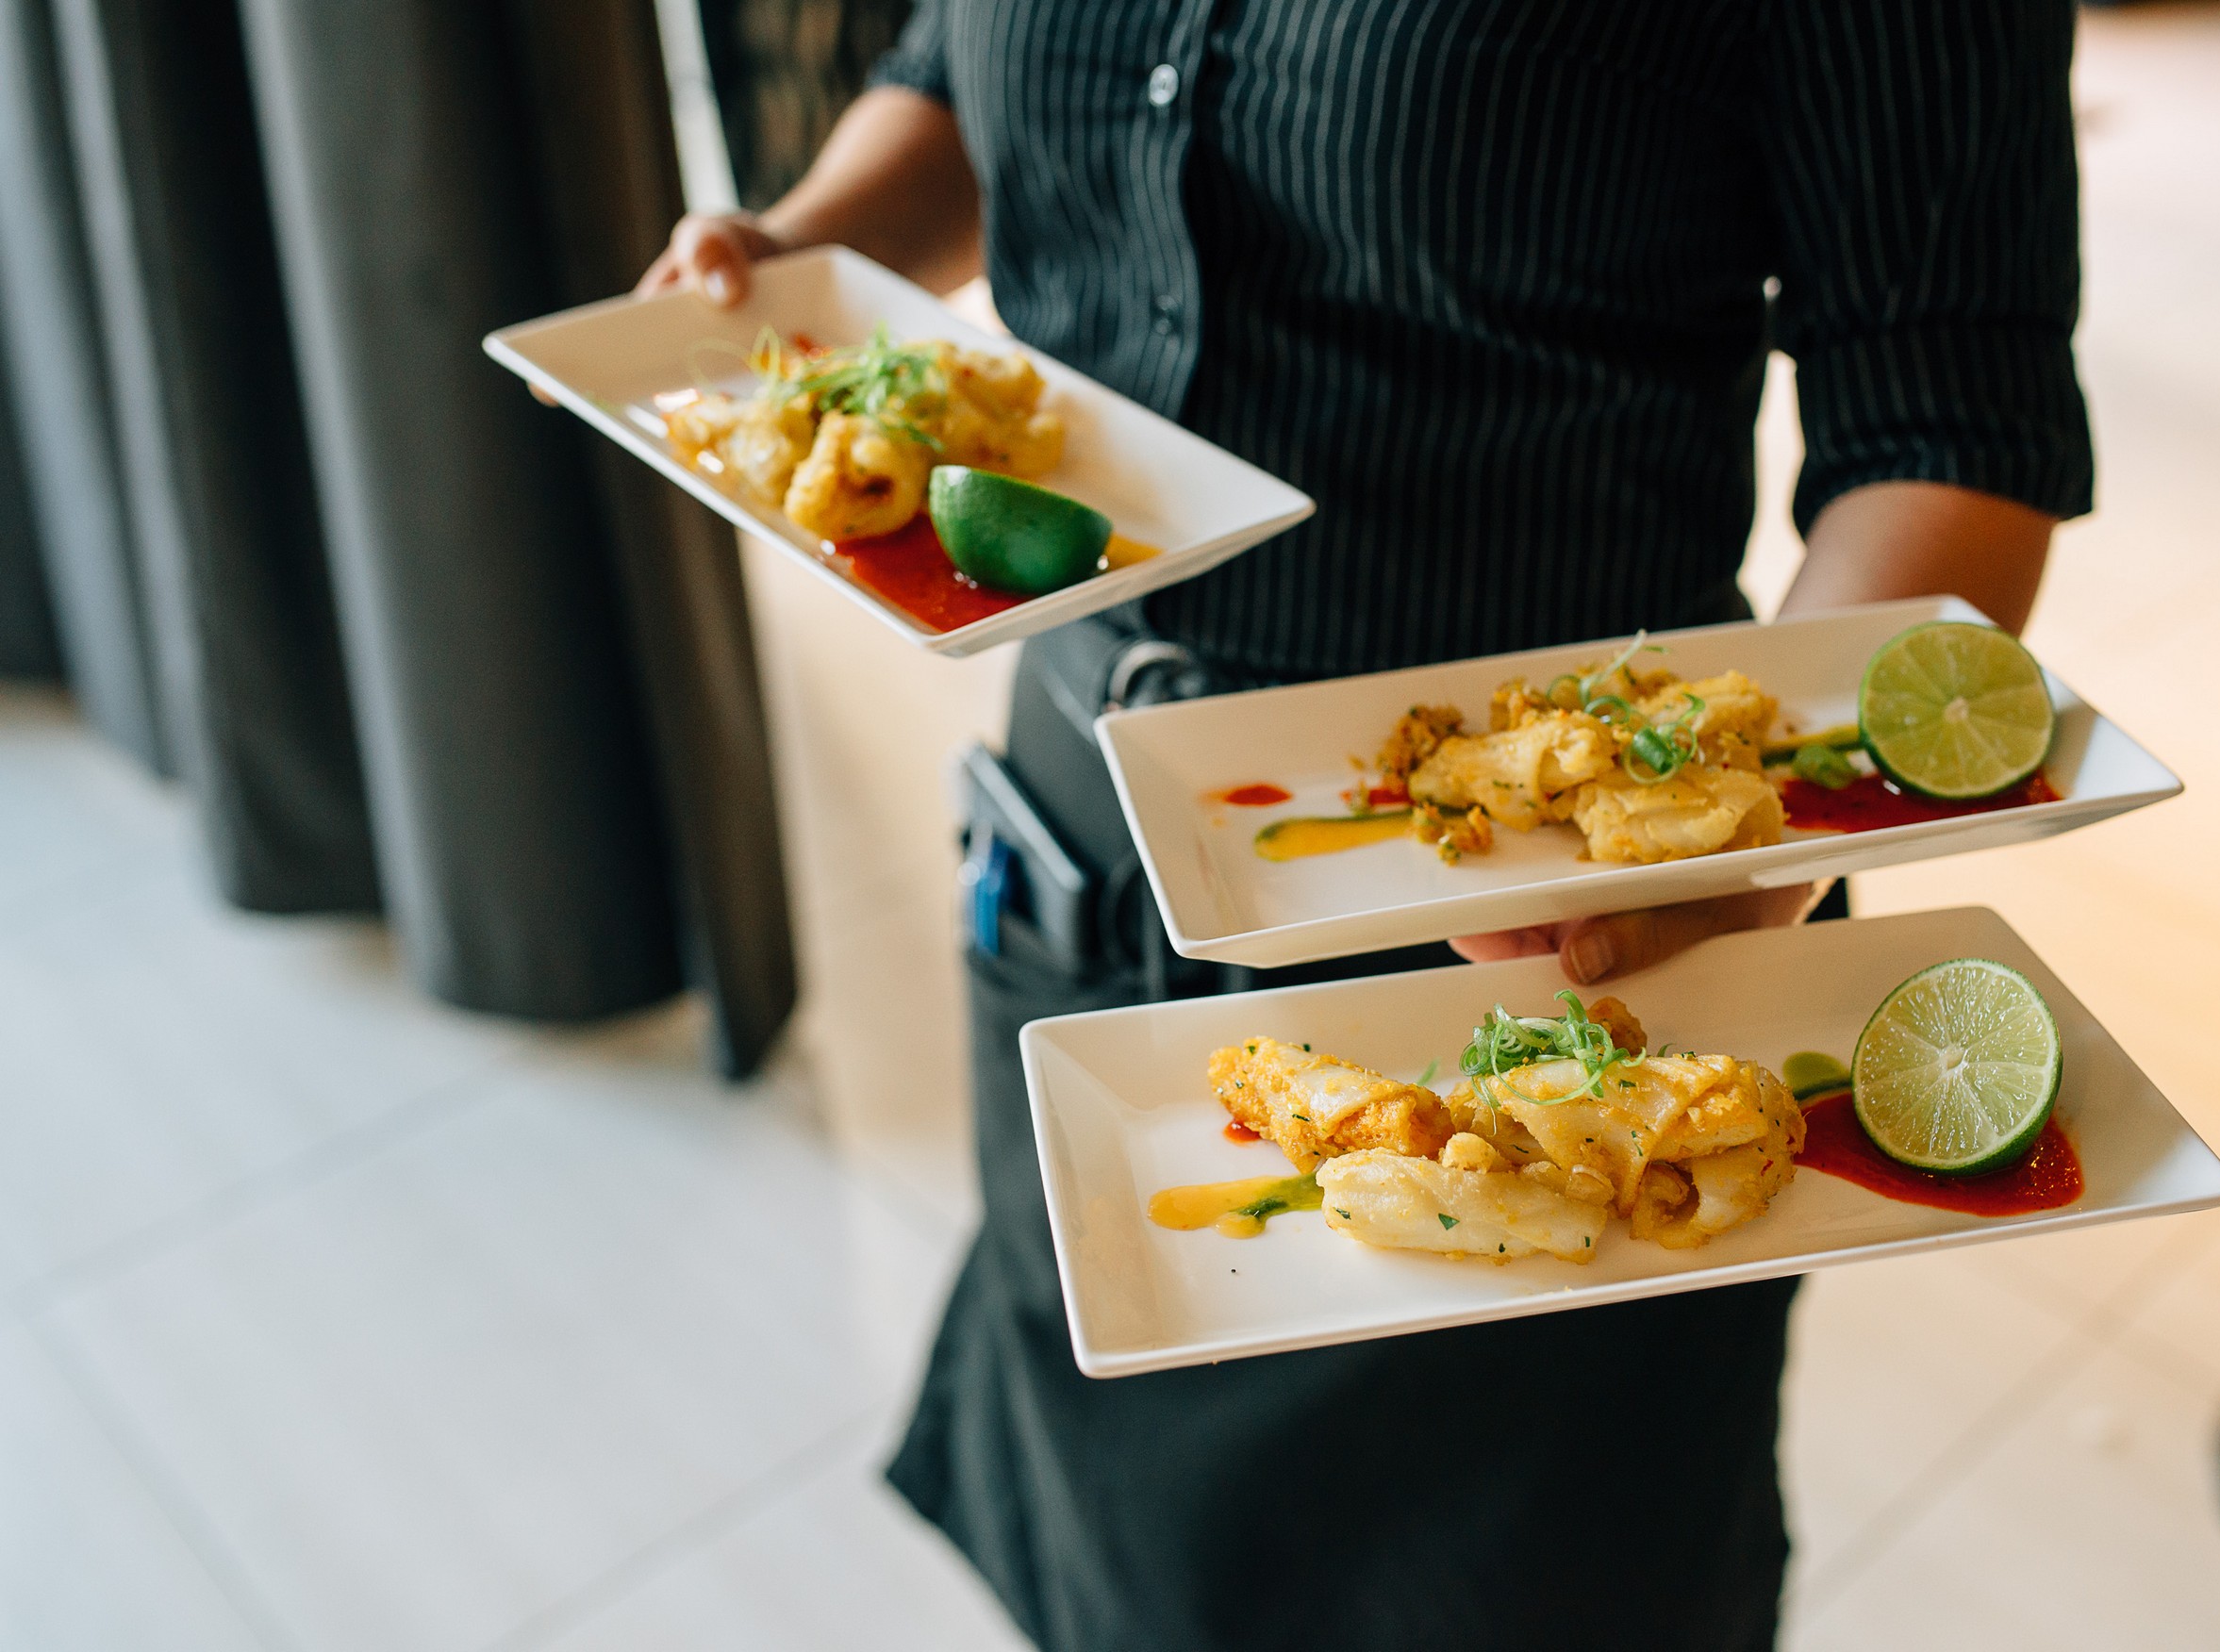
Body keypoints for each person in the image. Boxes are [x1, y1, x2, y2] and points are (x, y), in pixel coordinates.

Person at [640, 4, 2091, 1646]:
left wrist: (1741, 853)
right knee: (1124, 1545)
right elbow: (958, 76)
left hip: (1556, 927)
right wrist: (802, 254)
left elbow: (1946, 421)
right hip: (1082, 812)